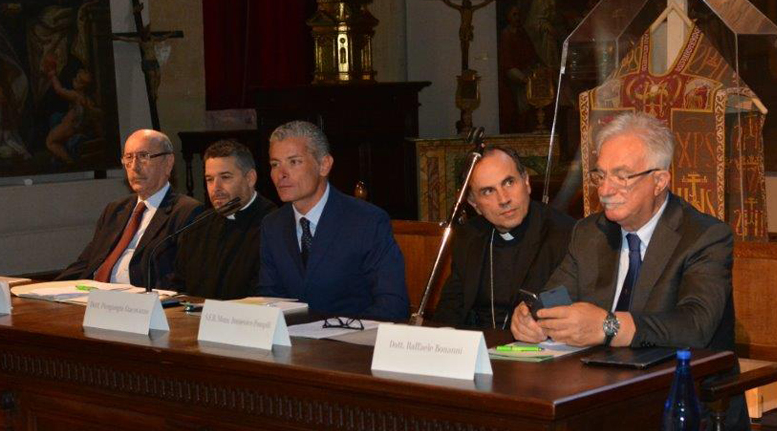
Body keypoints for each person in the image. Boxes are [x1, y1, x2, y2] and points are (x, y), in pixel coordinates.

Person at [511, 111, 749, 431]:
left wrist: (608, 326)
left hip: (684, 405)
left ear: (660, 180)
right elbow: (553, 297)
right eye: (601, 175)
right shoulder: (590, 232)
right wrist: (532, 317)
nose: (606, 190)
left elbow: (695, 326)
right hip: (598, 394)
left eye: (622, 177)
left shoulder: (705, 237)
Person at [257, 120, 408, 320]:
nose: (281, 174)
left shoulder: (367, 221)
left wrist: (342, 333)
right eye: (275, 164)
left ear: (324, 165)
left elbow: (392, 304)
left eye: (294, 162)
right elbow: (270, 299)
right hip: (291, 337)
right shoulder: (272, 225)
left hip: (353, 336)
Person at [432, 145, 574, 329]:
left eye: (509, 182)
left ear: (526, 182)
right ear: (474, 204)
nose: (504, 199)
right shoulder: (468, 237)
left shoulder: (564, 234)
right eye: (488, 191)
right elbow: (449, 312)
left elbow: (565, 314)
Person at [58, 129, 203, 288]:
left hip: (138, 298)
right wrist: (48, 290)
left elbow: (183, 278)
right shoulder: (115, 210)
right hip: (93, 294)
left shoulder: (186, 213)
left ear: (168, 163)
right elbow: (86, 263)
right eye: (129, 158)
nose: (134, 167)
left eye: (143, 156)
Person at [175, 139, 276, 300]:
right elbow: (180, 286)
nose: (216, 188)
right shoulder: (198, 226)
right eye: (209, 179)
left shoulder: (273, 224)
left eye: (225, 177)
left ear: (250, 178)